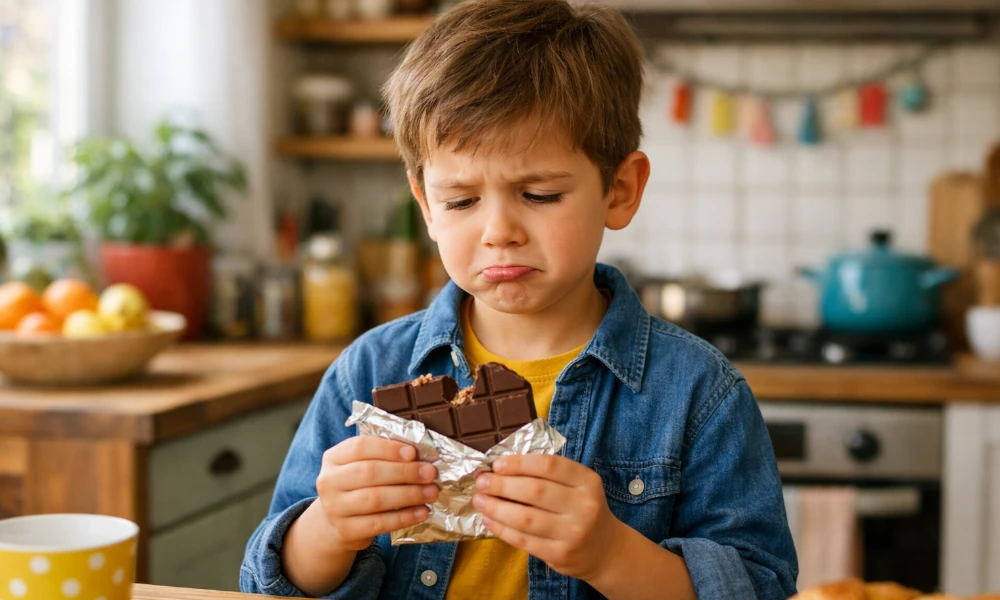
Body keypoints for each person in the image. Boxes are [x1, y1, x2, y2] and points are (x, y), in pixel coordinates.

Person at [240, 0, 797, 598]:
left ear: (620, 190)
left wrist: (610, 554)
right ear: (426, 206)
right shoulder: (368, 370)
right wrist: (328, 529)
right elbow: (268, 583)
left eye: (538, 193)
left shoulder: (698, 395)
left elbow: (758, 588)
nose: (497, 230)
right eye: (459, 201)